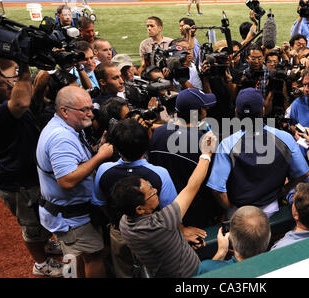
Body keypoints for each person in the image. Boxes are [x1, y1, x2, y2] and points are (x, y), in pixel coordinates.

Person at [113, 131, 217, 278]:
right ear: (140, 209)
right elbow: (192, 187)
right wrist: (206, 154)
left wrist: (178, 240)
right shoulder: (161, 222)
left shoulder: (125, 223)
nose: (155, 190)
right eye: (151, 193)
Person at [36, 86, 114, 278]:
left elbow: (75, 161)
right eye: (84, 110)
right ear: (64, 110)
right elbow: (66, 180)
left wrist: (95, 150)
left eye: (90, 108)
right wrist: (100, 157)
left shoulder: (65, 127)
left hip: (66, 213)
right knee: (93, 256)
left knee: (73, 255)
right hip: (72, 217)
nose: (90, 114)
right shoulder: (61, 137)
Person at [0, 59, 63, 277]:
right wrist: (24, 70)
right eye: (3, 84)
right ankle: (41, 264)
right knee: (31, 225)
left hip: (28, 176)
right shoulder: (3, 110)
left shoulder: (7, 105)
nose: (10, 85)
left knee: (40, 214)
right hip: (17, 183)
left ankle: (46, 243)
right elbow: (21, 103)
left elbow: (35, 90)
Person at [92, 118, 178, 277]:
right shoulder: (160, 173)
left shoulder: (104, 169)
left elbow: (100, 202)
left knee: (124, 272)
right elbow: (171, 209)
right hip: (153, 233)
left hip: (119, 231)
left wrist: (115, 220)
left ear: (117, 148)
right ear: (147, 144)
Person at [207, 88, 309, 219]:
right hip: (271, 208)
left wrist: (230, 208)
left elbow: (217, 189)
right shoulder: (284, 138)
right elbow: (303, 173)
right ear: (262, 110)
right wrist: (284, 190)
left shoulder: (227, 144)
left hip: (240, 213)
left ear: (236, 113)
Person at [149, 88, 221, 228]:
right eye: (205, 108)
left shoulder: (157, 132)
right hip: (196, 212)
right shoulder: (205, 142)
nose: (207, 111)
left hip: (163, 210)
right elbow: (212, 185)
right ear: (199, 112)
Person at [195, 206, 271, 275]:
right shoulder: (279, 264)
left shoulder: (206, 267)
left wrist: (221, 252)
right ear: (268, 236)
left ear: (231, 239)